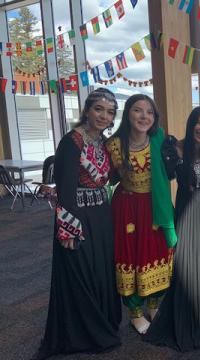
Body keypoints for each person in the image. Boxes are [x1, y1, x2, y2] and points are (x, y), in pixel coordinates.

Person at [36, 88, 121, 359]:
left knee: (99, 271)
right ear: (87, 110)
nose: (103, 116)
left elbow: (111, 178)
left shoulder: (104, 143)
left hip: (101, 215)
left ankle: (103, 324)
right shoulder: (71, 142)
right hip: (78, 217)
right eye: (99, 109)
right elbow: (66, 189)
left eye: (109, 112)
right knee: (80, 272)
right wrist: (68, 228)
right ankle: (85, 333)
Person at [144, 106, 200, 351]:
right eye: (199, 123)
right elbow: (162, 178)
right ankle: (186, 320)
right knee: (186, 267)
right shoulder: (175, 148)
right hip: (186, 213)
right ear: (191, 124)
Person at [107, 94, 176, 334]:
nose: (144, 116)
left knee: (157, 253)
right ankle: (135, 313)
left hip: (155, 207)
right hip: (127, 210)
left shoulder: (159, 139)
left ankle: (154, 305)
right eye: (138, 110)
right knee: (131, 257)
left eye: (149, 112)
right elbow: (105, 178)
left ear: (155, 118)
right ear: (127, 113)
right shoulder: (114, 145)